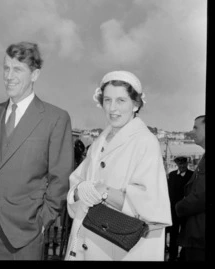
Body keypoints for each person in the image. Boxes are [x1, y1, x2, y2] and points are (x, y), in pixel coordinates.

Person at [0, 41, 74, 260]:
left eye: (17, 69)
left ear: (35, 74)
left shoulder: (56, 119)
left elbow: (60, 180)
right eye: (6, 68)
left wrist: (42, 221)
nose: (9, 76)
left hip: (22, 236)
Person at [65, 70, 172, 261]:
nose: (112, 108)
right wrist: (79, 191)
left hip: (120, 250)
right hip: (85, 241)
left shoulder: (145, 142)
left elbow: (151, 206)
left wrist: (103, 191)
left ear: (136, 104)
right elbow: (77, 183)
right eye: (107, 100)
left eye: (121, 101)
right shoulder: (99, 142)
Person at [175, 115, 205, 261]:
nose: (192, 131)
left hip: (200, 237)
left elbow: (200, 196)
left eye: (196, 127)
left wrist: (177, 208)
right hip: (195, 235)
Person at [167, 156, 193, 261]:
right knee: (173, 233)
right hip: (173, 210)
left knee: (185, 232)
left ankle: (183, 256)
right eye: (179, 164)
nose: (181, 166)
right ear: (177, 164)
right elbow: (168, 192)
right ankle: (172, 256)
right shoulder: (172, 175)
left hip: (185, 210)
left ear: (187, 164)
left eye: (183, 164)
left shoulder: (192, 175)